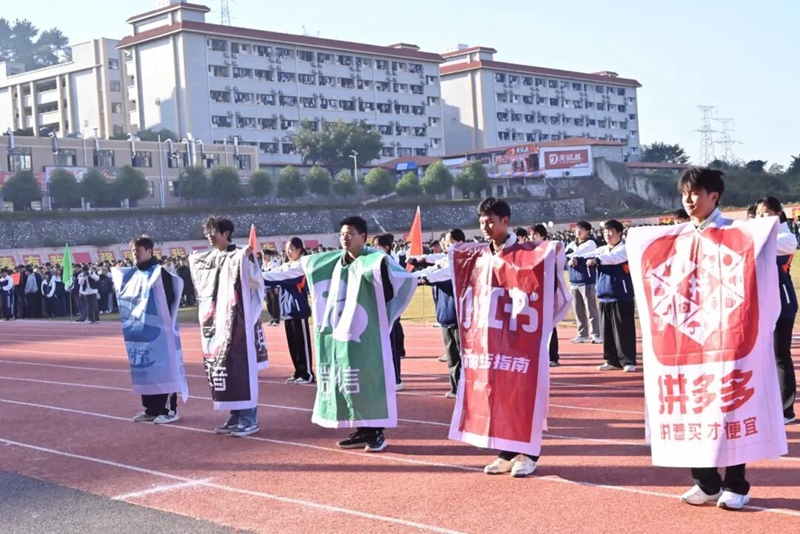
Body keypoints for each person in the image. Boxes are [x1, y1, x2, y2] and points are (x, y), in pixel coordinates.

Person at [626, 168, 788, 511]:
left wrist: (766, 228)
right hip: (685, 343)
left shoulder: (737, 232)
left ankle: (736, 484)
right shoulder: (677, 237)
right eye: (685, 193)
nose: (688, 200)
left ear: (714, 196)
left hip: (729, 338)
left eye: (696, 193)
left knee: (730, 410)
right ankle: (706, 482)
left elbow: (783, 241)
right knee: (691, 409)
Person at [452, 198, 568, 478]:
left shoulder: (529, 255)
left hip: (522, 340)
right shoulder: (481, 256)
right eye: (482, 222)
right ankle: (506, 452)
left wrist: (541, 329)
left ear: (505, 221)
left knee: (524, 395)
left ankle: (529, 454)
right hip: (492, 342)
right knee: (498, 395)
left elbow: (555, 291)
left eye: (491, 222)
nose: (486, 227)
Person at [302, 216, 417, 453]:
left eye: (350, 234)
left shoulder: (376, 260)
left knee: (369, 378)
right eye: (342, 234)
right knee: (349, 379)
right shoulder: (336, 261)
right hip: (343, 332)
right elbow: (305, 266)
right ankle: (362, 430)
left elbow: (397, 284)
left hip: (369, 332)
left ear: (363, 236)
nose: (345, 238)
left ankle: (376, 432)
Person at [189, 217, 268, 438]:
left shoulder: (241, 254)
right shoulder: (212, 258)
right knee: (225, 368)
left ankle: (249, 418)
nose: (209, 236)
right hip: (219, 324)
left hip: (239, 321)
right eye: (207, 232)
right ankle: (235, 414)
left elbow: (255, 281)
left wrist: (247, 263)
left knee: (241, 368)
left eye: (213, 232)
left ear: (226, 234)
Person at [114, 236, 186, 425]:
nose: (135, 254)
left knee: (163, 369)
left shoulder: (159, 273)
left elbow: (170, 299)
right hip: (140, 332)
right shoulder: (132, 275)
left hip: (160, 332)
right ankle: (151, 409)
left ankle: (169, 410)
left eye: (138, 250)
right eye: (133, 251)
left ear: (149, 251)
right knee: (146, 370)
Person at [754, 196, 797, 425]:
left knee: (780, 355)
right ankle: (767, 404)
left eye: (767, 212)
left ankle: (786, 410)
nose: (762, 217)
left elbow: (760, 245)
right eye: (759, 213)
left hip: (782, 303)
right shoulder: (757, 234)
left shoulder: (786, 238)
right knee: (761, 356)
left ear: (778, 215)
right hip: (761, 303)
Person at [577, 220, 637, 372]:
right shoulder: (602, 249)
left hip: (621, 296)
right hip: (604, 297)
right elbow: (589, 254)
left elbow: (613, 258)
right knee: (607, 332)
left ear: (619, 233)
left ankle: (628, 360)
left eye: (611, 231)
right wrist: (576, 258)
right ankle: (612, 360)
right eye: (605, 231)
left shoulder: (624, 249)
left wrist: (596, 260)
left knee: (623, 330)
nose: (607, 234)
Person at [415, 228, 465, 398]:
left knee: (464, 356)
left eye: (451, 243)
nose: (447, 246)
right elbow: (431, 269)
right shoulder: (444, 260)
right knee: (452, 356)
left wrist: (426, 279)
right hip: (445, 316)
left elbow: (441, 274)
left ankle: (466, 389)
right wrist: (411, 277)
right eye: (445, 243)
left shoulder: (461, 262)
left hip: (460, 317)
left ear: (460, 243)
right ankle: (456, 388)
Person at [262, 237, 315, 385]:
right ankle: (298, 372)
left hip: (299, 309)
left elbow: (279, 276)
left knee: (301, 344)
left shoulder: (301, 265)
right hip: (287, 310)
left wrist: (258, 277)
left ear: (299, 249)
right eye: (286, 250)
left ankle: (307, 374)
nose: (288, 252)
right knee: (293, 344)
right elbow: (272, 273)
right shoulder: (287, 265)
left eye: (291, 249)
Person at [372, 233, 406, 391]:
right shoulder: (376, 263)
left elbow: (391, 289)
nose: (374, 249)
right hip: (378, 310)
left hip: (389, 310)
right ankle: (385, 377)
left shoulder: (389, 262)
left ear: (386, 247)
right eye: (373, 246)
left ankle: (396, 379)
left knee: (391, 346)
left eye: (377, 246)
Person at [565, 221, 601, 344]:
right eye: (577, 229)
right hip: (573, 281)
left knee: (591, 309)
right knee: (578, 310)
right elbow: (565, 255)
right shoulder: (571, 244)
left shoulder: (590, 243)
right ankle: (582, 334)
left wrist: (571, 258)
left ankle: (596, 334)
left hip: (586, 280)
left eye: (581, 229)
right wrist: (568, 258)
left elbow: (578, 254)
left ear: (587, 232)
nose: (578, 232)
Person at [532, 224, 561, 367]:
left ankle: (552, 356)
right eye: (530, 234)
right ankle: (539, 355)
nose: (532, 237)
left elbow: (553, 274)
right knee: (535, 326)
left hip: (547, 293)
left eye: (535, 234)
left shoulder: (549, 250)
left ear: (543, 236)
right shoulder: (530, 251)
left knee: (549, 325)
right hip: (534, 294)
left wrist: (551, 292)